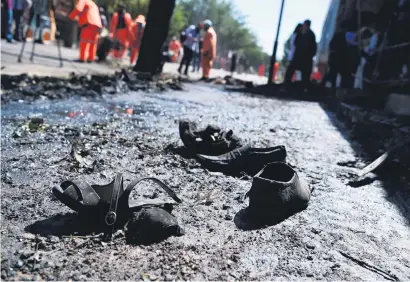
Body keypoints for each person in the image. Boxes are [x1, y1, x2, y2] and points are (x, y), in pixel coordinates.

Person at [285, 20, 317, 91]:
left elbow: (313, 47)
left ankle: (302, 89)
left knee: (305, 76)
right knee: (290, 71)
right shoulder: (300, 34)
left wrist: (310, 55)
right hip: (298, 57)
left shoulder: (311, 35)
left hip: (306, 58)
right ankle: (287, 86)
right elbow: (296, 43)